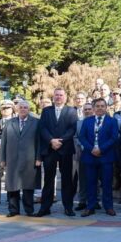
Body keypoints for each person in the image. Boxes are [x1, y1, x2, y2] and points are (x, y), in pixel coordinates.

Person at [36, 88, 78, 217]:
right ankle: (45, 207)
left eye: (61, 95)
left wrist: (60, 141)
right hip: (50, 150)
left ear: (65, 97)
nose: (59, 97)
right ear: (53, 97)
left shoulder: (71, 111)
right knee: (48, 179)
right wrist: (51, 140)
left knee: (67, 180)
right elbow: (42, 128)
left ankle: (68, 207)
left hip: (65, 149)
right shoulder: (46, 111)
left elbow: (72, 128)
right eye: (56, 95)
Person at [78, 98, 119, 217]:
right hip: (90, 156)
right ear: (94, 108)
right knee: (90, 183)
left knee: (107, 183)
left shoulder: (112, 121)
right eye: (97, 106)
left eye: (102, 106)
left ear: (106, 108)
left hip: (106, 156)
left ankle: (109, 207)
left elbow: (113, 138)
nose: (100, 108)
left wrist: (101, 149)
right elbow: (82, 137)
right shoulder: (87, 121)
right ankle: (90, 207)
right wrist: (92, 149)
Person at [0, 100, 40, 217]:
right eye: (21, 107)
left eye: (25, 108)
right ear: (17, 109)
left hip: (30, 159)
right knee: (13, 185)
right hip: (12, 159)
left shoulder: (36, 122)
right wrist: (3, 159)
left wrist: (39, 158)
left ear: (29, 109)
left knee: (28, 186)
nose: (23, 109)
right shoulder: (9, 123)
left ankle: (29, 210)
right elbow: (4, 142)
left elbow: (39, 142)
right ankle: (13, 210)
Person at [73, 102, 93, 211]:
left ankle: (95, 200)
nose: (88, 111)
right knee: (82, 179)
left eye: (89, 109)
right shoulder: (78, 123)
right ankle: (82, 201)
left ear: (93, 110)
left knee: (96, 179)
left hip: (96, 154)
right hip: (82, 154)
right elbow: (75, 137)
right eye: (86, 109)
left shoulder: (98, 122)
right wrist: (82, 145)